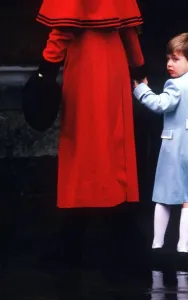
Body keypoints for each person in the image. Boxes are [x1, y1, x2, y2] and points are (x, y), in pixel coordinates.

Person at [23, 0, 147, 268]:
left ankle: (71, 241)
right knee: (116, 149)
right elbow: (127, 28)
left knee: (80, 150)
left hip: (84, 67)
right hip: (115, 65)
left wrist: (46, 70)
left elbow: (63, 26)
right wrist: (138, 67)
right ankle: (124, 238)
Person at [133, 33, 188, 271]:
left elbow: (161, 105)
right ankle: (183, 249)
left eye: (175, 59)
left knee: (164, 197)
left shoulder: (175, 85)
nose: (169, 64)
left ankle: (157, 245)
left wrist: (142, 90)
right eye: (169, 59)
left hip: (176, 146)